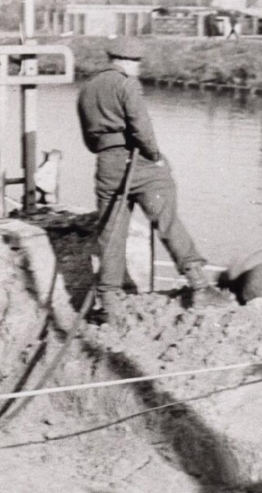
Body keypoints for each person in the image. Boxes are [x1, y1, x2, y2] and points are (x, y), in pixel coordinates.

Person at [77, 38, 232, 322]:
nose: (137, 67)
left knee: (111, 232)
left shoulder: (88, 88)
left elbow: (88, 138)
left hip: (106, 164)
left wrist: (108, 150)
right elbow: (141, 126)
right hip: (138, 160)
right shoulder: (127, 84)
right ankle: (199, 286)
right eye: (136, 62)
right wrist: (155, 155)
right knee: (167, 220)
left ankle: (109, 302)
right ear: (125, 61)